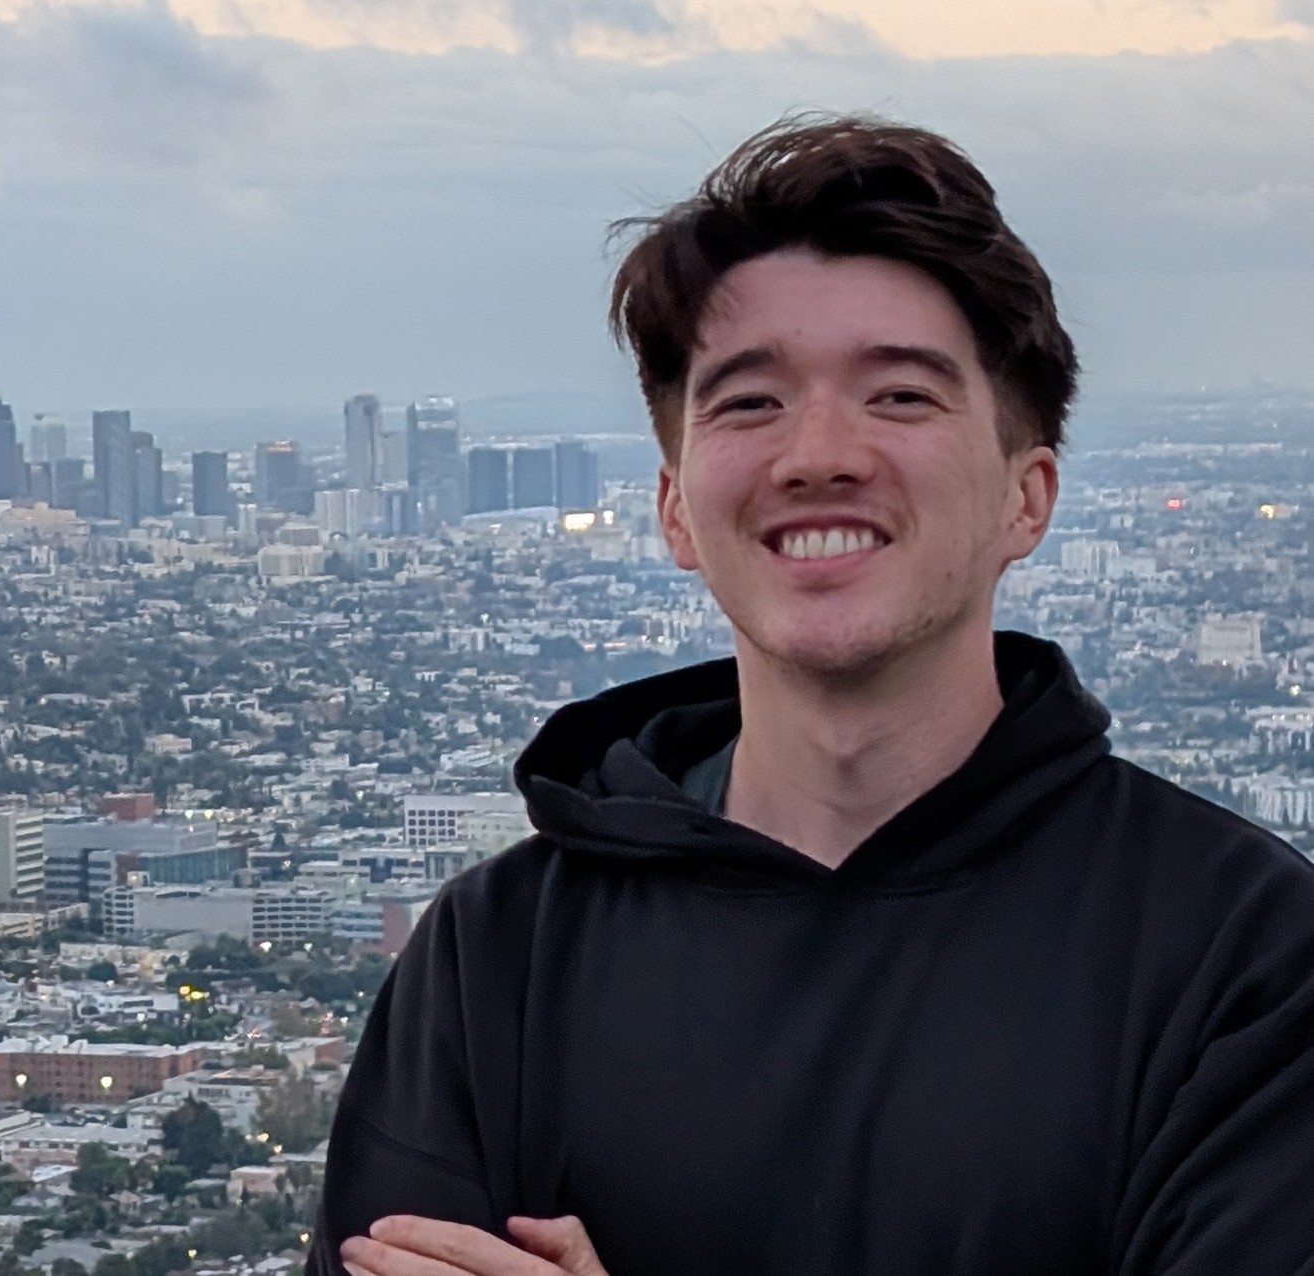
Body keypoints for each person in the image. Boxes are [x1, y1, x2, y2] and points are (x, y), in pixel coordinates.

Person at [309, 115, 1314, 1276]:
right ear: (676, 509)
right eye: (748, 403)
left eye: (900, 396)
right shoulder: (501, 960)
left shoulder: (1243, 957)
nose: (817, 453)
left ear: (1024, 499)